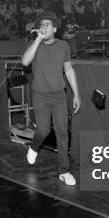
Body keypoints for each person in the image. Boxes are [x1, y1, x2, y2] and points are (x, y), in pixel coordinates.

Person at [21, 10, 82, 186]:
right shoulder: (35, 43)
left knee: (63, 132)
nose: (44, 27)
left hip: (59, 96)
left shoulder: (63, 46)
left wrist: (76, 94)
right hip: (40, 95)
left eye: (47, 25)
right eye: (41, 25)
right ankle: (34, 146)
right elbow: (25, 62)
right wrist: (38, 39)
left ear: (55, 29)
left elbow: (69, 70)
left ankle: (64, 171)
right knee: (43, 131)